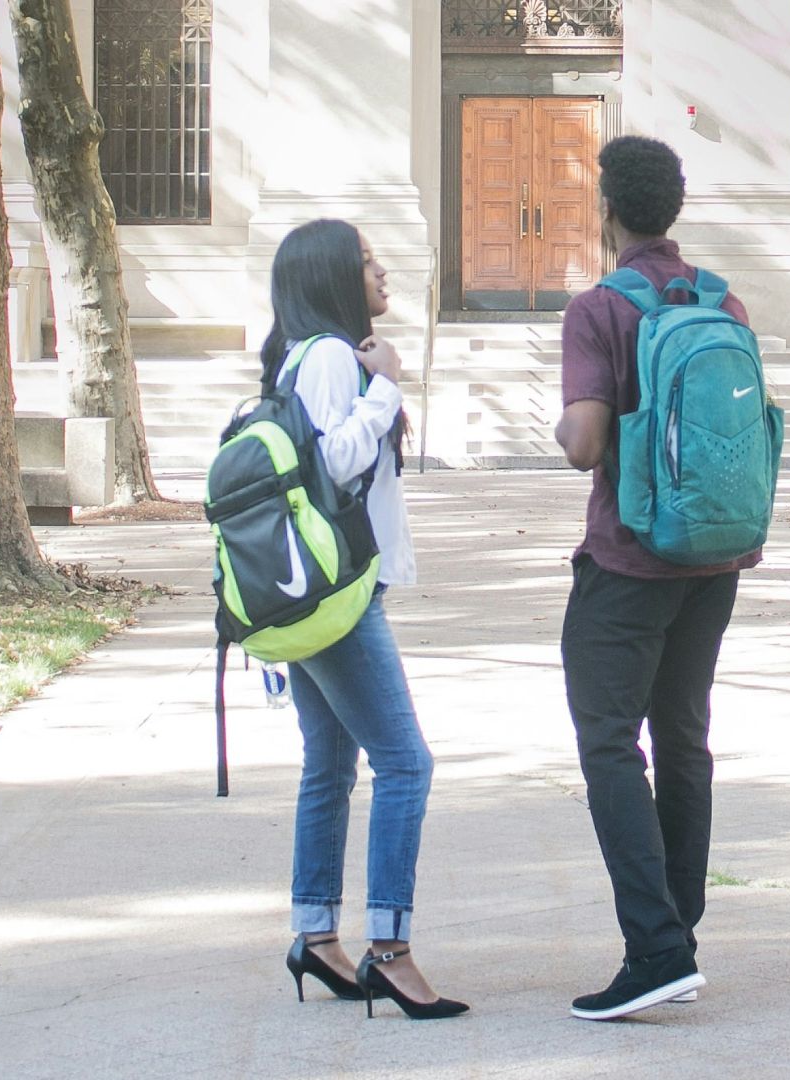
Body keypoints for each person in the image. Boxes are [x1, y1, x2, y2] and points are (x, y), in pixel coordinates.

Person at [552, 136, 758, 1021]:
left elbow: (585, 445)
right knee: (683, 739)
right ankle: (680, 930)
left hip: (629, 560)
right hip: (714, 557)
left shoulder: (600, 308)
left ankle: (656, 947)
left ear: (608, 212)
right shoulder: (724, 300)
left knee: (608, 743)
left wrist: (563, 420)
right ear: (671, 208)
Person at [264, 218, 467, 1021]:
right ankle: (389, 950)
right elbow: (332, 464)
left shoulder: (308, 355)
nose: (383, 272)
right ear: (330, 279)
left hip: (319, 588)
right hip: (337, 593)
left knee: (330, 765)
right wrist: (386, 388)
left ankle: (315, 937)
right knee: (406, 764)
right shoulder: (323, 359)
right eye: (367, 262)